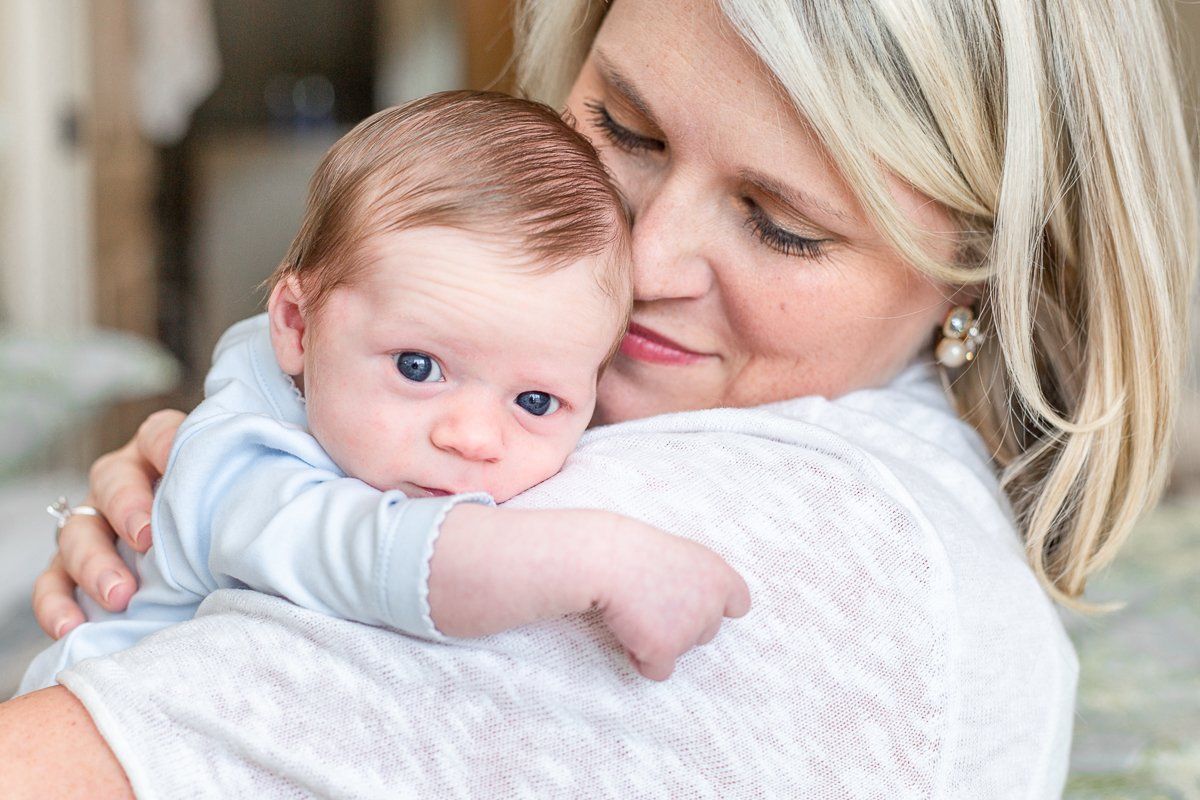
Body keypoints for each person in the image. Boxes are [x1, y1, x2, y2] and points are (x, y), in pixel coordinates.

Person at [2, 0, 1195, 796]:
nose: (646, 262)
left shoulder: (744, 543)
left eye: (783, 226)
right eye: (620, 128)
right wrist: (202, 503)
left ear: (978, 269)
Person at [15, 91, 749, 696]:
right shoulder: (240, 467)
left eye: (534, 403)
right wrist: (602, 558)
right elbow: (384, 557)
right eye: (419, 368)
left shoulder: (352, 379)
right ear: (297, 329)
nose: (473, 438)